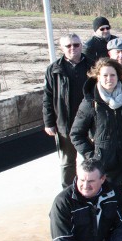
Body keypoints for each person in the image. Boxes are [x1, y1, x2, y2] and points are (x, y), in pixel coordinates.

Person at [70, 58, 122, 203]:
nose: (109, 79)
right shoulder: (90, 102)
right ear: (98, 76)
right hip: (107, 166)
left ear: (118, 76)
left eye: (112, 75)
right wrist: (93, 155)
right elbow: (76, 134)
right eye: (105, 75)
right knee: (115, 207)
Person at [43, 33, 93, 188]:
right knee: (67, 162)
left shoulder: (92, 66)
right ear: (61, 48)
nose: (73, 48)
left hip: (90, 123)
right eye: (68, 45)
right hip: (65, 123)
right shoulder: (54, 70)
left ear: (81, 46)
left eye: (76, 45)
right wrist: (49, 122)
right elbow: (47, 97)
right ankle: (68, 191)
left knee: (90, 160)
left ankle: (92, 188)